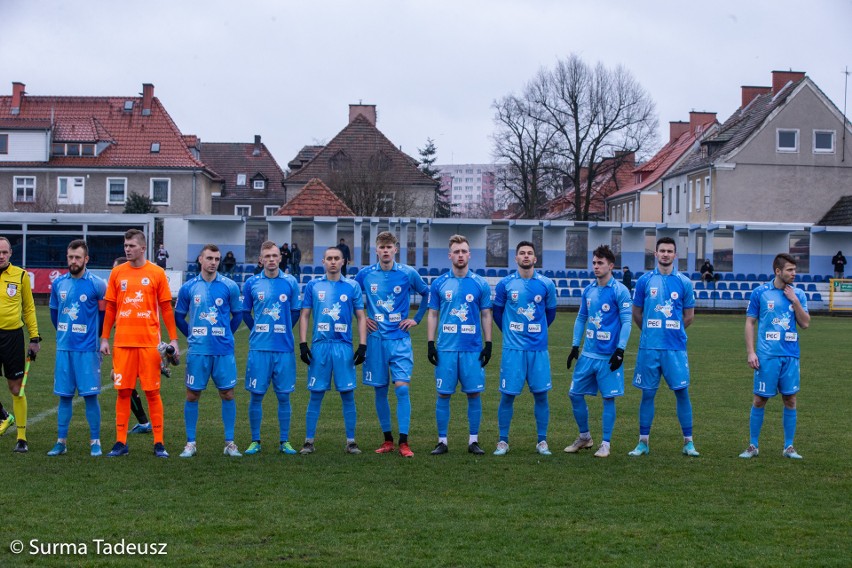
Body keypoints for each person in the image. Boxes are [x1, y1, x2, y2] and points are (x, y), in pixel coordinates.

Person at [100, 229, 179, 458]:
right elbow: (111, 308)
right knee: (123, 392)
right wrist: (105, 338)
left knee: (152, 393)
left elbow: (165, 307)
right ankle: (120, 442)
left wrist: (173, 338)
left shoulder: (156, 273)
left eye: (132, 245)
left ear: (143, 248)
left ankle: (159, 443)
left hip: (148, 345)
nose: (127, 249)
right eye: (125, 245)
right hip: (122, 343)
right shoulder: (117, 273)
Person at [354, 231, 429, 457]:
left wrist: (415, 319)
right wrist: (363, 318)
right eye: (382, 247)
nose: (385, 251)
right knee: (379, 391)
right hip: (376, 342)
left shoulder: (408, 273)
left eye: (389, 247)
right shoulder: (365, 275)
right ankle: (387, 441)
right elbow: (350, 296)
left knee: (402, 390)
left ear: (396, 249)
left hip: (399, 341)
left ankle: (404, 442)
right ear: (376, 250)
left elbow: (428, 294)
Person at [628, 237, 699, 457]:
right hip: (649, 348)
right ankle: (643, 443)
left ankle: (688, 442)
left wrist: (672, 331)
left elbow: (689, 317)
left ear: (675, 255)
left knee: (682, 393)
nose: (666, 254)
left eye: (669, 251)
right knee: (647, 394)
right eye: (662, 251)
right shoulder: (644, 281)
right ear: (656, 254)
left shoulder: (684, 282)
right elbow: (636, 313)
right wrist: (650, 332)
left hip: (675, 349)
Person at [426, 234, 493, 455]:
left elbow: (485, 314)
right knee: (443, 394)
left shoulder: (480, 283)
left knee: (474, 394)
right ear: (450, 255)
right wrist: (430, 343)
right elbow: (433, 314)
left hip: (472, 348)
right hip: (446, 348)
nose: (460, 255)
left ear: (469, 255)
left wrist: (489, 343)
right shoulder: (439, 283)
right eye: (456, 251)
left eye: (464, 251)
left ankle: (473, 440)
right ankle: (442, 441)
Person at [175, 244, 244, 458]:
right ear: (200, 259)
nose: (213, 262)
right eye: (209, 258)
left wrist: (225, 335)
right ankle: (190, 443)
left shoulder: (230, 286)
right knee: (192, 394)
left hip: (223, 351)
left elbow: (238, 315)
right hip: (198, 351)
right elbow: (179, 316)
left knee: (228, 393)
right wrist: (193, 336)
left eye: (216, 259)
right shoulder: (188, 287)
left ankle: (230, 443)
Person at [740, 253, 810, 460]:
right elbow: (750, 322)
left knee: (790, 399)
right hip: (767, 356)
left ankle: (789, 447)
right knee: (760, 400)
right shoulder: (760, 293)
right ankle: (753, 445)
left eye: (795, 270)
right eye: (790, 270)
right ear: (778, 271)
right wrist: (751, 352)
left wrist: (795, 301)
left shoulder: (798, 294)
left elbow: (805, 323)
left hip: (790, 356)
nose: (794, 274)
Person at [564, 245, 632, 458]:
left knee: (608, 399)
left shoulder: (620, 290)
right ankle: (585, 437)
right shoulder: (589, 290)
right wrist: (575, 345)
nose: (596, 266)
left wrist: (620, 350)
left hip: (608, 356)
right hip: (587, 354)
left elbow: (627, 321)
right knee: (574, 394)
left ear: (610, 266)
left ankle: (606, 444)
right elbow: (581, 318)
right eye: (594, 263)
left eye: (600, 263)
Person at [298, 246, 367, 454]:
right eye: (329, 258)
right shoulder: (313, 285)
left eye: (337, 258)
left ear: (344, 261)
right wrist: (302, 344)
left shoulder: (352, 286)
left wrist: (362, 345)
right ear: (323, 261)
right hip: (320, 347)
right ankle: (309, 441)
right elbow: (304, 315)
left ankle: (351, 441)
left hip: (343, 347)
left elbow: (361, 317)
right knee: (316, 394)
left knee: (347, 394)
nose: (333, 262)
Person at [491, 241, 557, 456]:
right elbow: (498, 314)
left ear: (535, 259)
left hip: (538, 350)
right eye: (522, 253)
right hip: (513, 350)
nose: (526, 256)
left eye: (530, 253)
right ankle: (503, 441)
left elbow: (550, 314)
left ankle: (542, 441)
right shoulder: (505, 284)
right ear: (516, 258)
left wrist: (536, 332)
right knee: (507, 396)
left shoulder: (547, 284)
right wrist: (511, 333)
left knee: (541, 396)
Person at [47, 240, 107, 457]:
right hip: (64, 349)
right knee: (64, 397)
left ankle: (95, 441)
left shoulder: (97, 284)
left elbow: (103, 316)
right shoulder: (58, 284)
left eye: (77, 257)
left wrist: (94, 336)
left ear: (86, 259)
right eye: (70, 257)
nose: (73, 261)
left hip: (87, 350)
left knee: (91, 397)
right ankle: (61, 442)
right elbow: (54, 315)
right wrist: (65, 334)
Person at [241, 241, 302, 455]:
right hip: (259, 348)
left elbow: (296, 311)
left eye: (275, 255)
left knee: (284, 396)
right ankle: (255, 440)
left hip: (284, 348)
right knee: (256, 395)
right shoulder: (251, 283)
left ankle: (284, 440)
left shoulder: (291, 282)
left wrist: (284, 329)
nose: (271, 260)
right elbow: (244, 312)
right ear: (261, 259)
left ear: (280, 258)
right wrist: (257, 329)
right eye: (267, 256)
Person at [0, 236, 41, 452]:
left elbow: (29, 308)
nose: (1, 255)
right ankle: (4, 416)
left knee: (16, 388)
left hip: (13, 337)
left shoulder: (21, 275)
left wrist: (34, 338)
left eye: (5, 252)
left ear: (10, 254)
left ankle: (22, 438)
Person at [110, 256, 152, 435]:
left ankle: (145, 423)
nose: (114, 272)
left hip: (137, 344)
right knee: (123, 382)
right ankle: (143, 422)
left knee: (124, 382)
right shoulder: (117, 286)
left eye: (115, 269)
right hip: (123, 341)